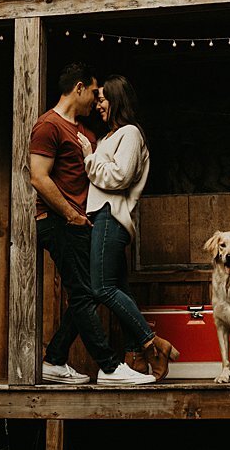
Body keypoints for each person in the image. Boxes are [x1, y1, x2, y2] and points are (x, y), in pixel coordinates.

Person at [29, 61, 155, 386]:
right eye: (94, 94)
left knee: (91, 291)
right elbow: (39, 178)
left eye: (103, 97)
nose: (96, 102)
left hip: (85, 223)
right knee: (87, 293)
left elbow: (109, 170)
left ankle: (55, 359)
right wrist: (70, 214)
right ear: (79, 88)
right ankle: (110, 366)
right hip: (60, 222)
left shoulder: (88, 134)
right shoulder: (49, 125)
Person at [78, 74, 180, 382]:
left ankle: (153, 343)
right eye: (97, 101)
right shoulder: (109, 137)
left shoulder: (131, 134)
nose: (98, 106)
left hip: (111, 216)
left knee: (102, 289)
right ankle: (136, 358)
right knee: (118, 289)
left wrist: (89, 159)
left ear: (117, 99)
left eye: (103, 100)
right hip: (102, 217)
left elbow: (120, 177)